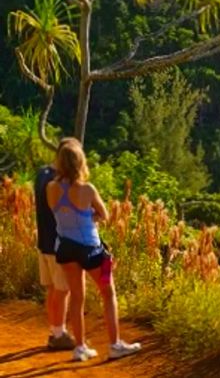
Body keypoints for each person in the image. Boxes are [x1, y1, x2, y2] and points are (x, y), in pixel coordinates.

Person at [46, 139, 141, 362]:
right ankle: (115, 344)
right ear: (80, 162)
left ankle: (80, 347)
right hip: (91, 249)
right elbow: (105, 214)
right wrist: (89, 217)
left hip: (66, 248)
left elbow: (58, 213)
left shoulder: (51, 188)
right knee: (108, 293)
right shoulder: (87, 189)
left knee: (77, 297)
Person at [35, 138, 78, 350]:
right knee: (63, 291)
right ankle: (59, 334)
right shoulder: (59, 183)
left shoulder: (41, 174)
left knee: (52, 290)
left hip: (43, 242)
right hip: (58, 245)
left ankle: (54, 331)